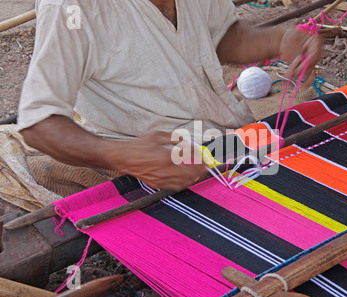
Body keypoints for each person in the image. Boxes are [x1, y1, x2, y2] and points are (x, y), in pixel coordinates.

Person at [14, 0, 322, 200]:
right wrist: (120, 155)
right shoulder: (71, 8)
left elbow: (222, 36)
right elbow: (39, 122)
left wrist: (279, 39)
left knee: (317, 192)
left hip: (225, 141)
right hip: (150, 163)